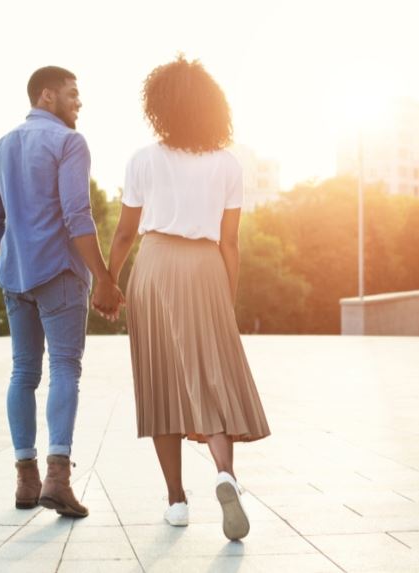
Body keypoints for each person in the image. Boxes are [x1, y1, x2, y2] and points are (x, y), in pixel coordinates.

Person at [107, 56, 270, 541]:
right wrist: (227, 294)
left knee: (161, 381)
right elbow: (232, 242)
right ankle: (225, 474)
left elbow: (124, 233)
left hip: (154, 266)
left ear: (158, 107)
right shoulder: (227, 164)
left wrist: (109, 281)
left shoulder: (143, 159)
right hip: (206, 268)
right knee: (212, 377)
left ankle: (176, 500)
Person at [0, 65, 122, 518]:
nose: (79, 102)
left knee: (23, 373)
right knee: (65, 368)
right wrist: (104, 277)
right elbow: (78, 216)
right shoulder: (68, 142)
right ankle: (58, 479)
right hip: (60, 273)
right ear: (46, 96)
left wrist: (19, 251)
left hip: (14, 277)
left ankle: (27, 480)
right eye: (72, 94)